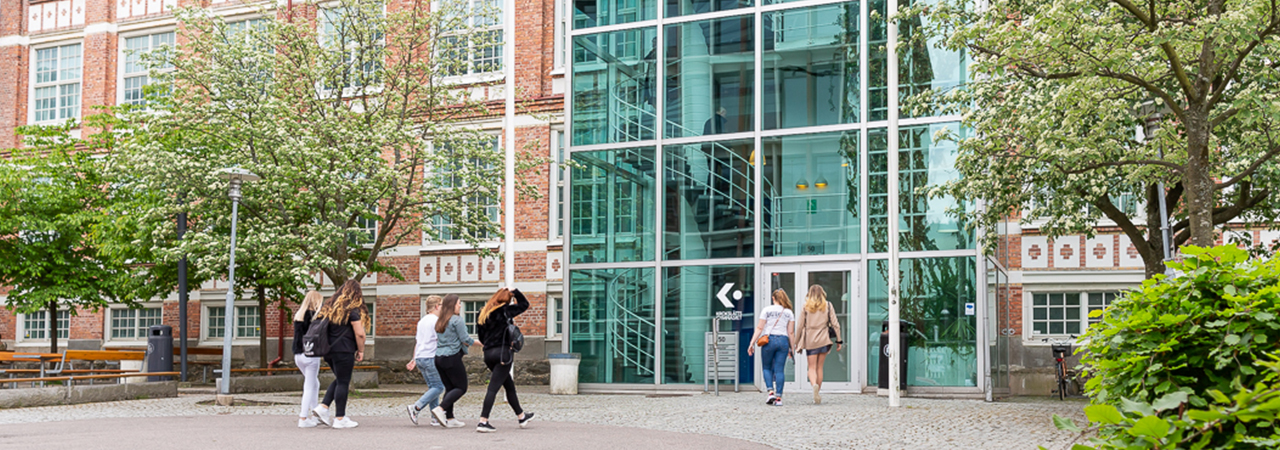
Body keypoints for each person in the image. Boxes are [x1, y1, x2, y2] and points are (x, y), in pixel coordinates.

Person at [310, 280, 368, 429]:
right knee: (343, 382)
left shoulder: (329, 308)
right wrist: (361, 350)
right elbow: (360, 334)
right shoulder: (352, 311)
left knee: (340, 379)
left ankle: (323, 407)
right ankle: (340, 418)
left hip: (328, 350)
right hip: (344, 350)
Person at [475, 287, 534, 433]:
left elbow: (481, 337)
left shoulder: (483, 313)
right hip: (502, 354)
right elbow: (524, 304)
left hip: (488, 354)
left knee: (509, 385)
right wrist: (516, 292)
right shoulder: (505, 311)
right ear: (507, 300)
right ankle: (483, 421)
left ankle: (521, 416)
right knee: (493, 388)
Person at [795, 284, 843, 405]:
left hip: (810, 339)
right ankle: (817, 392)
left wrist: (796, 342)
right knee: (819, 367)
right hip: (824, 339)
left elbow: (800, 325)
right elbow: (836, 324)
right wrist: (839, 340)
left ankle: (814, 385)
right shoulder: (828, 305)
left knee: (811, 367)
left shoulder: (806, 306)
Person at [405, 295, 448, 427]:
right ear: (437, 306)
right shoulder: (436, 321)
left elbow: (418, 341)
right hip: (430, 357)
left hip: (420, 357)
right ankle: (416, 407)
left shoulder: (422, 321)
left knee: (433, 387)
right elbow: (439, 340)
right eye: (442, 305)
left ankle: (435, 418)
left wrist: (414, 359)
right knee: (439, 387)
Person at [748, 289, 795, 406]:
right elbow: (791, 332)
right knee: (780, 370)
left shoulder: (766, 310)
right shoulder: (789, 312)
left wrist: (751, 343)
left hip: (769, 341)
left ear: (773, 298)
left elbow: (759, 328)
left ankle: (770, 392)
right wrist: (792, 348)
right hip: (783, 340)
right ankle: (779, 398)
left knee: (767, 367)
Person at [434, 294, 474, 428]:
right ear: (452, 305)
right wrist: (480, 343)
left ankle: (450, 418)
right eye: (458, 303)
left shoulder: (440, 320)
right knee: (461, 387)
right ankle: (441, 408)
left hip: (438, 358)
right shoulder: (457, 320)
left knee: (450, 388)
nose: (460, 306)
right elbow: (465, 339)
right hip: (452, 357)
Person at [293, 290, 324, 428]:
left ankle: (315, 414)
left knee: (315, 384)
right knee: (309, 387)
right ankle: (303, 417)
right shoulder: (315, 317)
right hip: (311, 354)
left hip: (298, 355)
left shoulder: (298, 315)